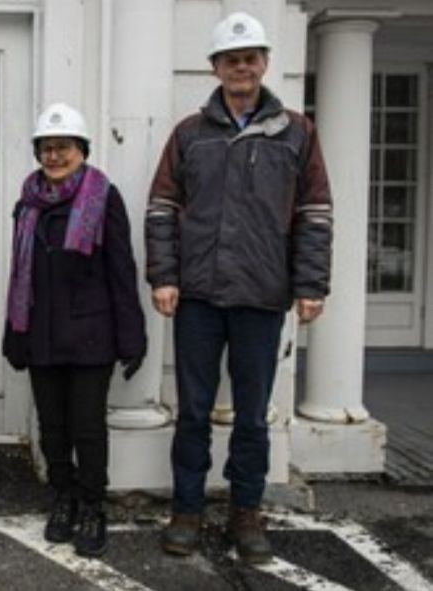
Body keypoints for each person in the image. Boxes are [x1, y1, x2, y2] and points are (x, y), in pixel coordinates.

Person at [146, 12, 332, 564]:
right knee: (194, 412)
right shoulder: (190, 134)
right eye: (231, 60)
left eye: (250, 58)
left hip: (262, 296)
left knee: (252, 415)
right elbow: (162, 209)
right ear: (216, 68)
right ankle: (187, 510)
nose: (242, 68)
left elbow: (315, 213)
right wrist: (165, 276)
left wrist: (311, 284)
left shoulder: (297, 133)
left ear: (265, 63)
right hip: (198, 297)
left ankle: (246, 512)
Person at [2, 103, 146, 557]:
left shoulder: (103, 197)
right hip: (42, 334)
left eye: (63, 147)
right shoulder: (27, 203)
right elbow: (19, 274)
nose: (55, 156)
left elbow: (121, 268)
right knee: (53, 428)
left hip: (90, 336)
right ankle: (62, 497)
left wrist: (131, 336)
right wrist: (13, 333)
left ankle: (92, 505)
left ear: (82, 149)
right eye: (47, 148)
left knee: (87, 428)